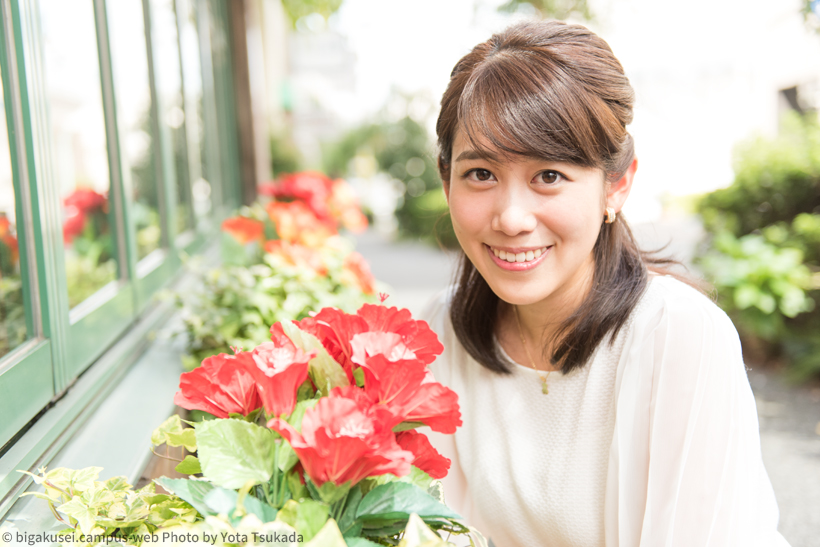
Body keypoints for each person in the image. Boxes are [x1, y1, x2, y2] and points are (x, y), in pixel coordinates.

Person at [423, 20, 790, 547]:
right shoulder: (438, 330)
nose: (511, 218)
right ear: (446, 180)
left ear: (616, 186)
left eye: (549, 176)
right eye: (481, 174)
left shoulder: (679, 337)